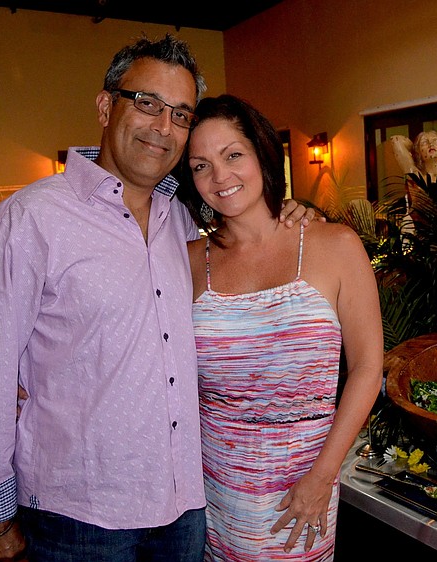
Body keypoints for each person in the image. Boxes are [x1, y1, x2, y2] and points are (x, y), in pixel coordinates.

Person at [0, 35, 314, 561]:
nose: (164, 127)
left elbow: (251, 238)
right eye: (147, 104)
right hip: (80, 516)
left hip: (186, 505)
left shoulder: (183, 221)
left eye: (181, 114)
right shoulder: (29, 221)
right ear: (104, 105)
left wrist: (296, 213)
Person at [178, 95, 383, 561]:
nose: (220, 177)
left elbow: (369, 369)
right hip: (214, 492)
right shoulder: (187, 260)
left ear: (263, 155)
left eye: (233, 155)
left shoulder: (336, 246)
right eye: (200, 166)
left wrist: (322, 478)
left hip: (304, 488)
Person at [389, 128, 437, 197]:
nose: (431, 144)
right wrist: (414, 148)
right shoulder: (417, 177)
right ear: (419, 152)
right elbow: (396, 140)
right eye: (424, 142)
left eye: (435, 141)